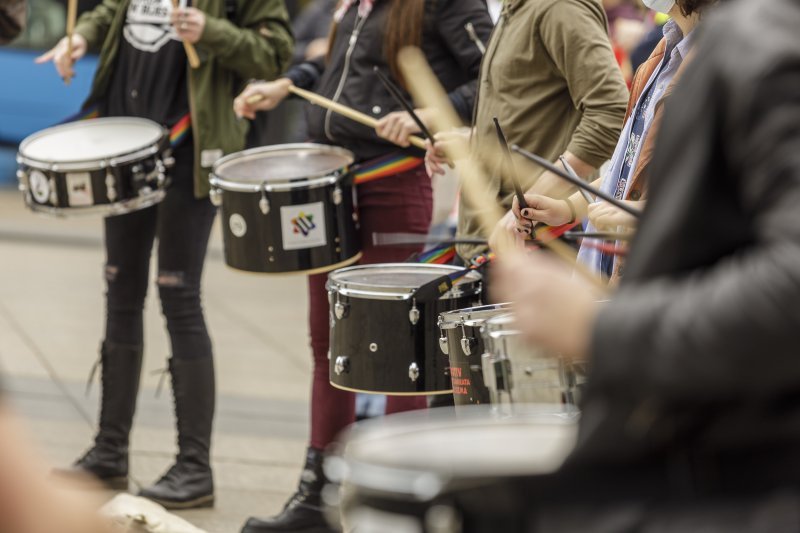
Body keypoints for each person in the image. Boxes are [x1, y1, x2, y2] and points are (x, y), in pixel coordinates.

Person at [492, 0, 800, 528]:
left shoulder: (765, 49)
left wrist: (600, 327)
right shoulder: (670, 53)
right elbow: (658, 179)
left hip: (732, 458)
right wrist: (571, 208)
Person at [234, 1, 493, 531]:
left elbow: (491, 74)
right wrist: (290, 82)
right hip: (328, 188)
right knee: (328, 347)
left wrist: (427, 114)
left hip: (393, 182)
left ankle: (398, 503)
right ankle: (318, 496)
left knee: (401, 354)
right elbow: (339, 68)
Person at [36, 0, 293, 510]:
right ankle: (110, 452)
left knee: (179, 298)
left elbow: (274, 54)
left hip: (188, 153)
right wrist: (80, 36)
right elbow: (111, 12)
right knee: (120, 293)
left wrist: (210, 29)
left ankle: (195, 468)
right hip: (124, 148)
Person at [513, 0, 711, 284]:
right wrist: (566, 208)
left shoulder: (719, 65)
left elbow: (719, 193)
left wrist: (648, 211)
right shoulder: (664, 52)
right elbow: (629, 172)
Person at [427, 0, 629, 263]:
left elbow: (611, 112)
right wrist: (476, 140)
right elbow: (529, 109)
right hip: (492, 241)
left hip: (535, 244)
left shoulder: (561, 8)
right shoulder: (518, 7)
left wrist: (528, 205)